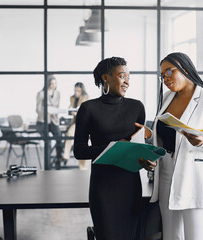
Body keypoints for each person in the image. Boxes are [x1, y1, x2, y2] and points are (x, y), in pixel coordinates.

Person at [138, 52, 203, 240]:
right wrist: (150, 137)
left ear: (185, 68)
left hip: (194, 177)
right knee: (171, 236)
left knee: (195, 236)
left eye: (169, 72)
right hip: (166, 175)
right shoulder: (167, 97)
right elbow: (165, 138)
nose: (165, 78)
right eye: (162, 75)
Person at [74, 57, 155, 240]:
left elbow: (138, 146)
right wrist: (115, 147)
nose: (126, 81)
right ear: (106, 78)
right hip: (103, 188)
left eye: (128, 77)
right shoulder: (88, 108)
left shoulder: (137, 107)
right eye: (121, 76)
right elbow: (79, 150)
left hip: (130, 186)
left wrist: (147, 161)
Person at [62, 82, 89, 169]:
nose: (76, 92)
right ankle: (66, 155)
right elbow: (70, 108)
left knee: (84, 144)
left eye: (78, 91)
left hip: (84, 123)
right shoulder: (72, 98)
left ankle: (83, 168)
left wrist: (76, 113)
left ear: (82, 91)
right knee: (69, 134)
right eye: (75, 90)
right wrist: (70, 110)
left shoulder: (85, 97)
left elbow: (85, 112)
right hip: (75, 122)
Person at [36, 75, 62, 164]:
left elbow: (57, 107)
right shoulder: (41, 93)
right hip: (43, 120)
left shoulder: (58, 93)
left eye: (55, 83)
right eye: (51, 83)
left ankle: (59, 159)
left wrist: (54, 111)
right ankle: (47, 164)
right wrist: (45, 112)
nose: (53, 85)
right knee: (48, 142)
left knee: (59, 137)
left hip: (54, 119)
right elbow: (38, 109)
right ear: (47, 84)